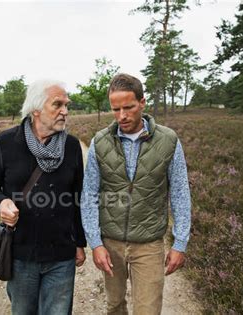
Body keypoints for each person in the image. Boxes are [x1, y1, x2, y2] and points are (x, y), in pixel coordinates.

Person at [80, 73, 191, 315]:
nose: (122, 116)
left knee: (148, 310)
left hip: (149, 245)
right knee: (115, 306)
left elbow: (181, 193)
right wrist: (95, 243)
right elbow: (89, 196)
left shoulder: (169, 140)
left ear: (142, 102)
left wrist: (180, 243)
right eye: (115, 109)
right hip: (110, 243)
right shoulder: (99, 142)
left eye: (128, 107)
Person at [0, 79, 86, 315]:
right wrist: (1, 202)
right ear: (36, 109)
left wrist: (79, 242)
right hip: (21, 254)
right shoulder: (6, 143)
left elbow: (78, 198)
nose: (65, 111)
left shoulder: (71, 146)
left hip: (61, 255)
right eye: (57, 105)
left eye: (67, 105)